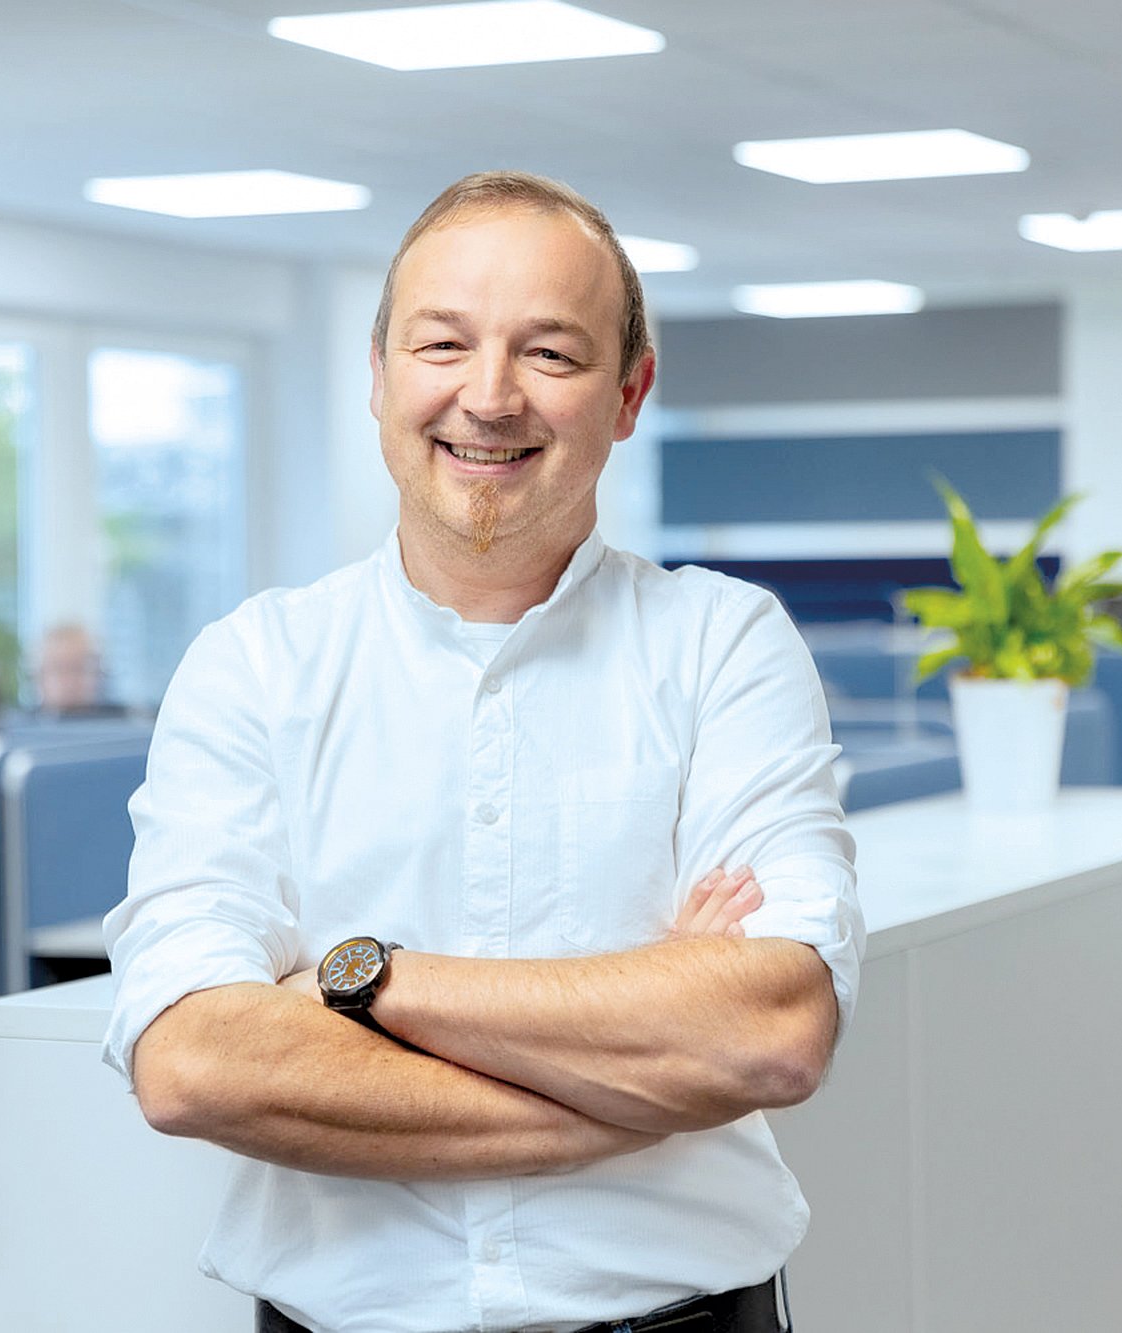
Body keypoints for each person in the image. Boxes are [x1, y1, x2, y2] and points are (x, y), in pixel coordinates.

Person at [103, 172, 862, 1333]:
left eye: (550, 354)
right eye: (442, 343)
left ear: (627, 393)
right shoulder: (253, 665)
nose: (489, 396)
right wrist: (635, 1084)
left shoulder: (726, 645)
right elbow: (194, 1062)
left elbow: (768, 1030)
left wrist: (365, 981)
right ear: (377, 375)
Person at [31, 622, 106, 715]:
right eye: (59, 668)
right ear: (39, 677)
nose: (70, 681)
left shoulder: (119, 724)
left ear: (98, 674)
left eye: (78, 668)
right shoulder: (18, 726)